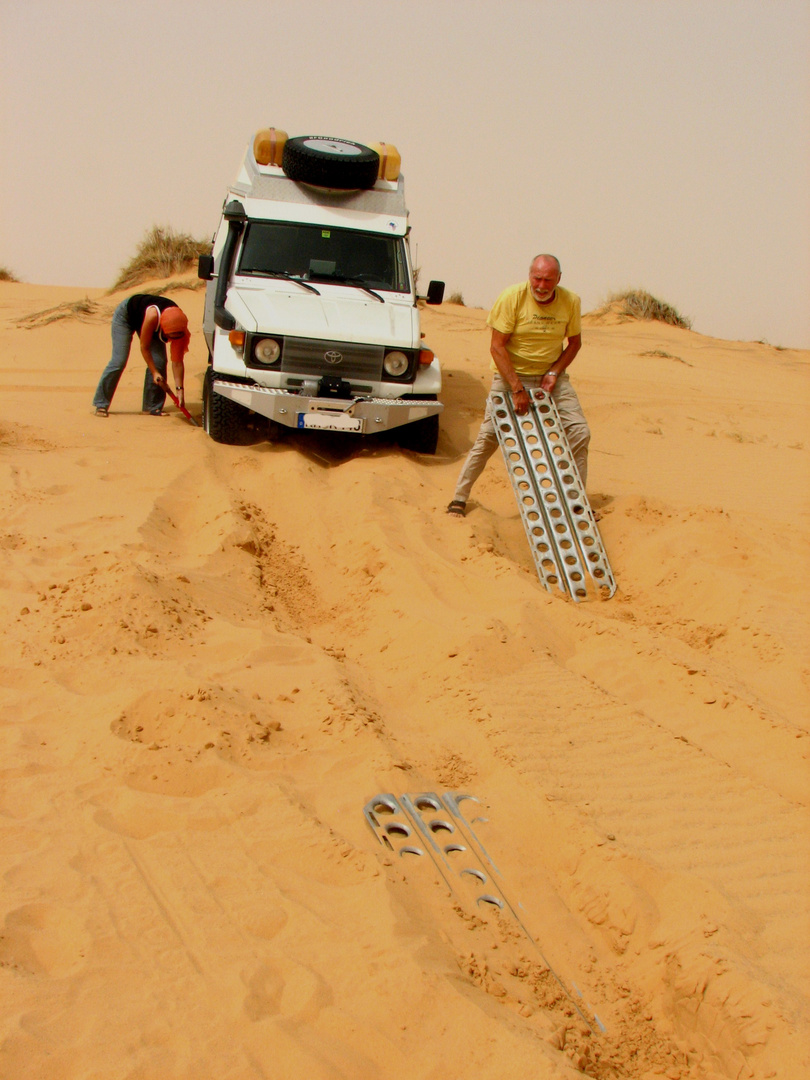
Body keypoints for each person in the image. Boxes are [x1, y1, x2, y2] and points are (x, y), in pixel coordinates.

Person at [447, 254, 589, 516]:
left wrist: (555, 372)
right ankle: (459, 497)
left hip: (551, 377)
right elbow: (496, 346)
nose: (542, 286)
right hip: (510, 376)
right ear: (529, 276)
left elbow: (575, 343)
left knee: (580, 432)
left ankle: (575, 501)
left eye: (548, 280)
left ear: (559, 279)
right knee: (488, 438)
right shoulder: (512, 297)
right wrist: (516, 387)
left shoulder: (570, 301)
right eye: (537, 278)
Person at [92, 294, 190, 416]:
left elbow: (177, 362)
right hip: (126, 316)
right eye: (168, 337)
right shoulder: (153, 316)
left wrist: (180, 391)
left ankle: (151, 406)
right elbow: (144, 347)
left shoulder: (180, 328)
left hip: (153, 322)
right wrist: (154, 373)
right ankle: (101, 404)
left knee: (159, 361)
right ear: (163, 329)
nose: (170, 340)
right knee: (119, 360)